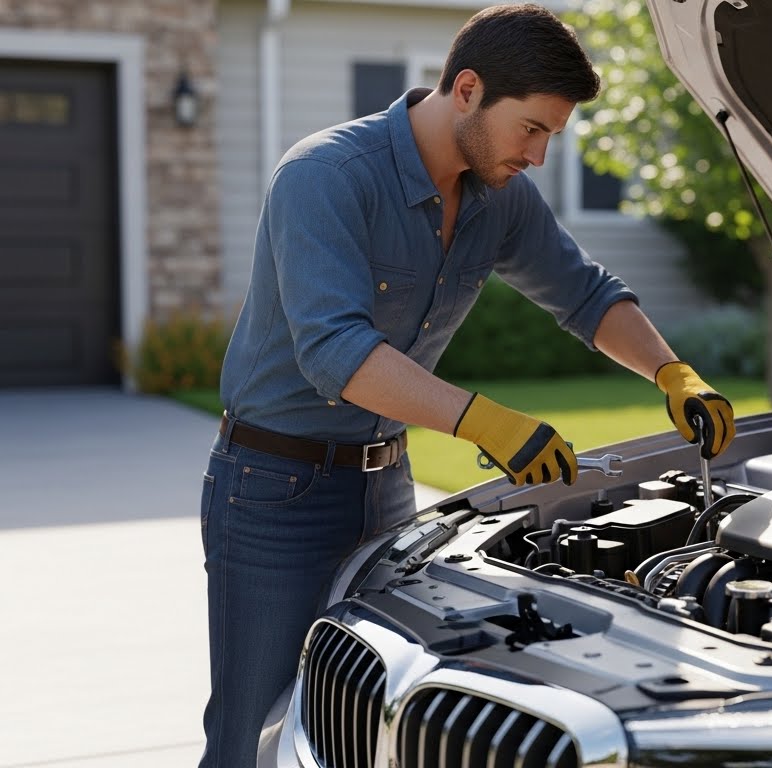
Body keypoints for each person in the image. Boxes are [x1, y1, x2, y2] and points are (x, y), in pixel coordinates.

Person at [197, 4, 735, 766]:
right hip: (272, 489)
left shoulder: (497, 196)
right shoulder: (325, 176)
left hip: (385, 486)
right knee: (253, 733)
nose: (541, 156)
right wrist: (487, 423)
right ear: (468, 90)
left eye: (552, 134)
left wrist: (673, 372)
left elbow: (582, 293)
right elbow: (335, 353)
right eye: (532, 129)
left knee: (363, 720)